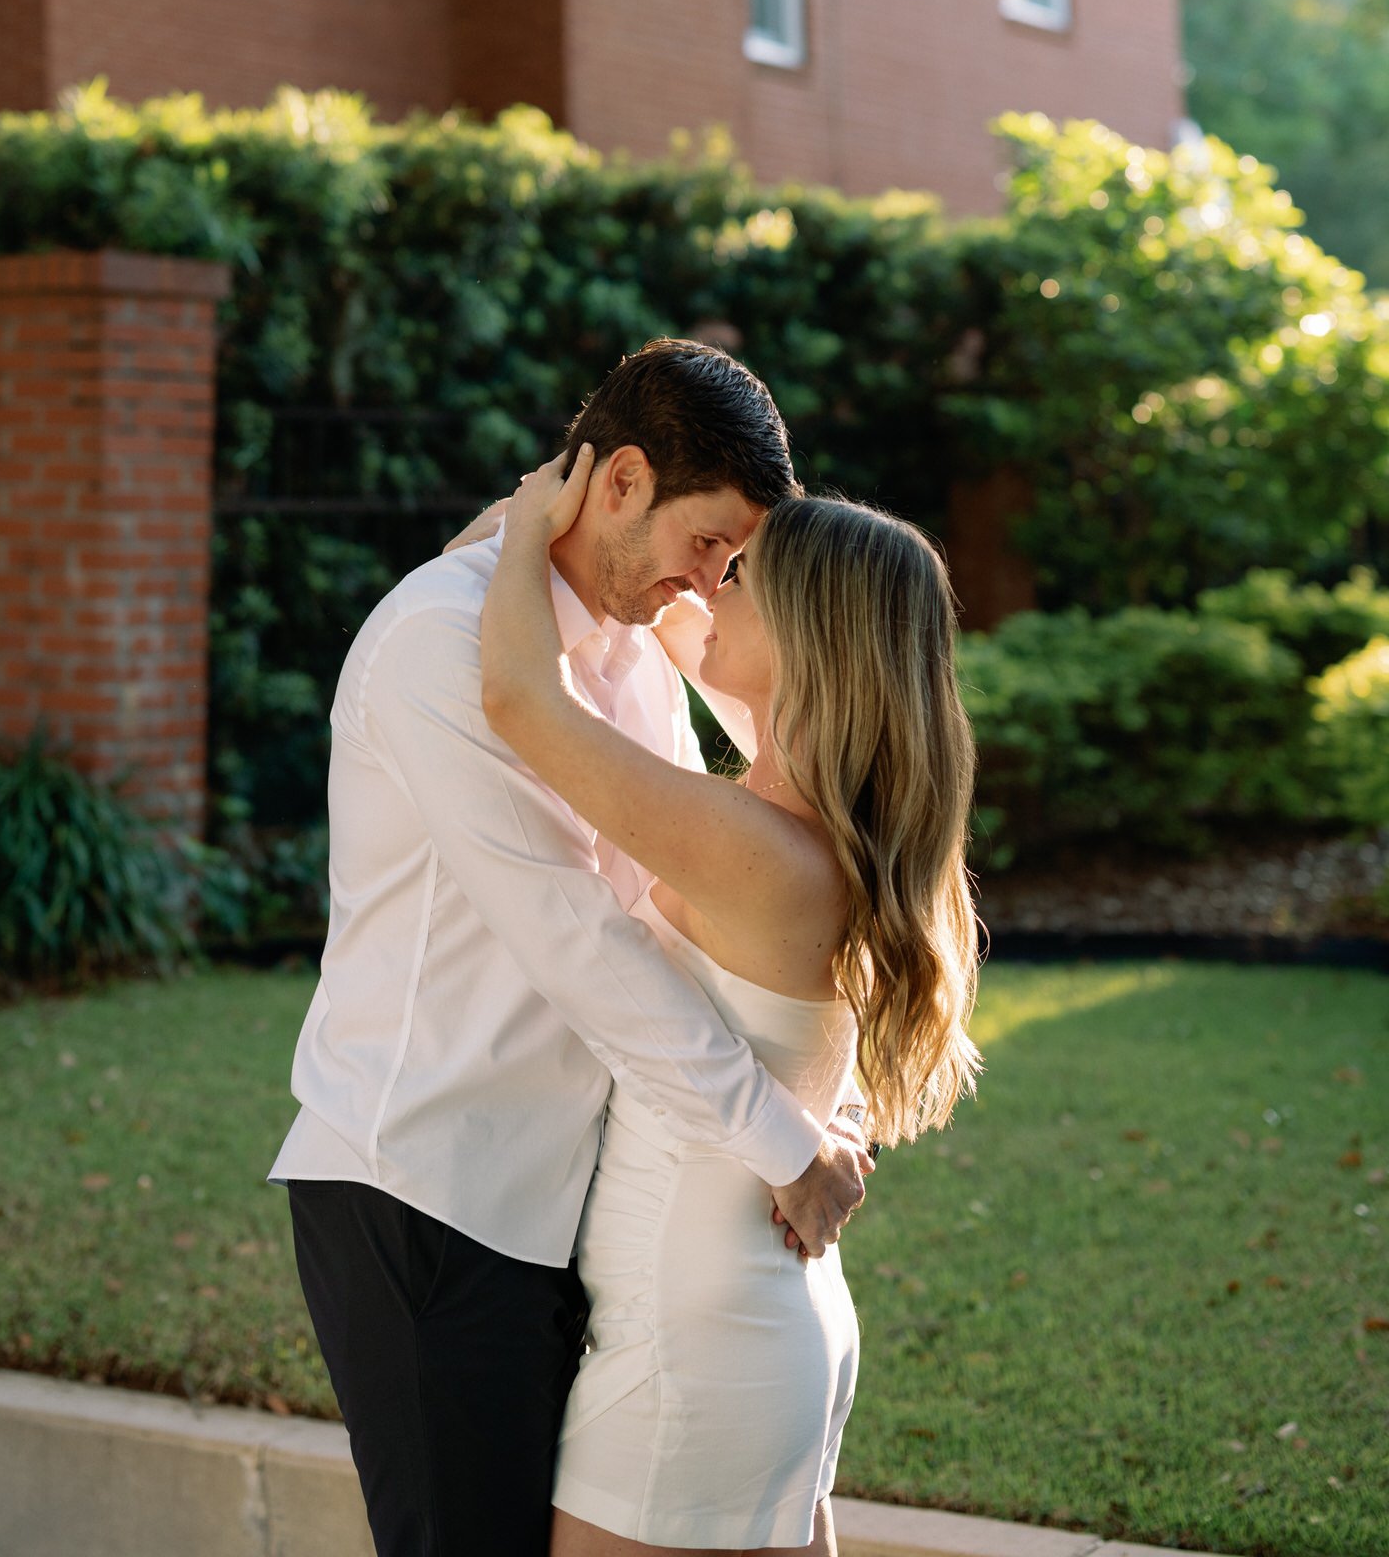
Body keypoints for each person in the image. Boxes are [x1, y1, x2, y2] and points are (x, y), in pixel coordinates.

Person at [269, 341, 872, 1557]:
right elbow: (578, 941)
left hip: (564, 1202)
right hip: (426, 1190)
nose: (710, 581)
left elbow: (801, 736)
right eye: (707, 543)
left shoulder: (637, 625)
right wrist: (781, 1141)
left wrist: (825, 1085)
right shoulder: (439, 644)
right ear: (623, 481)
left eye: (733, 560)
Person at [477, 446, 983, 1556]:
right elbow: (673, 624)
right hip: (759, 1314)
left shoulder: (755, 848)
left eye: (738, 575)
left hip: (693, 1335)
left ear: (805, 639)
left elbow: (518, 697)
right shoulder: (819, 821)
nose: (708, 588)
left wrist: (521, 532)